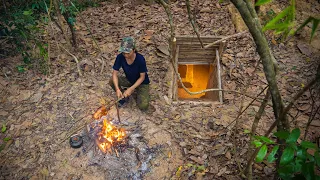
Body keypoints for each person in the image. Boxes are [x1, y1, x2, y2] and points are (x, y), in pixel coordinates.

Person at [109, 36, 150, 111]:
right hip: (129, 80)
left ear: (134, 50)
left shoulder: (140, 59)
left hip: (142, 83)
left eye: (128, 53)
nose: (126, 55)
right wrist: (117, 89)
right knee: (112, 80)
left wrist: (131, 89)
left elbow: (142, 77)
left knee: (143, 106)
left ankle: (138, 91)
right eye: (124, 53)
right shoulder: (120, 57)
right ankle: (122, 97)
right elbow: (114, 74)